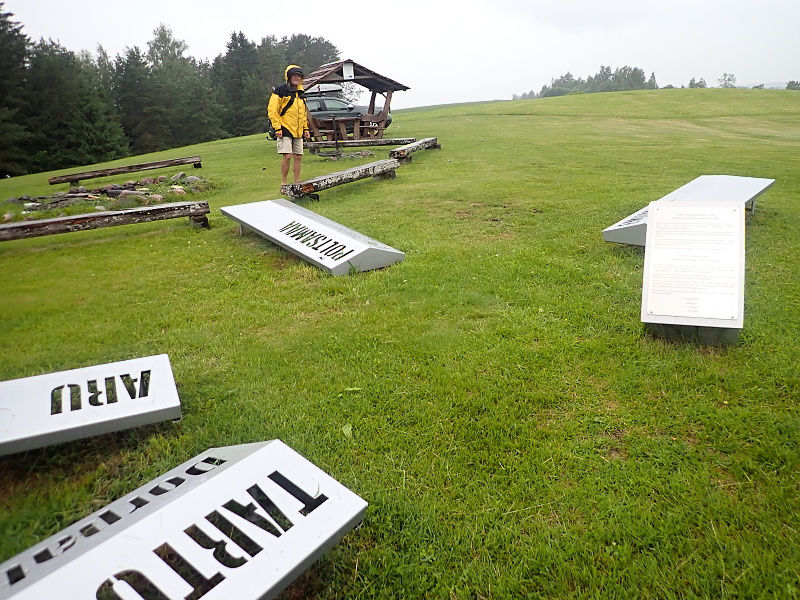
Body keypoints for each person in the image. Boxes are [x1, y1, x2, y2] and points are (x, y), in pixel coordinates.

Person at [268, 65, 311, 186]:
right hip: (284, 127)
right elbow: (272, 110)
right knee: (287, 156)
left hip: (298, 129)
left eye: (299, 76)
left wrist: (305, 128)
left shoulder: (301, 93)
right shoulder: (280, 90)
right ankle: (284, 182)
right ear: (289, 77)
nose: (296, 78)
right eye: (294, 75)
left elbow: (303, 113)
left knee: (298, 156)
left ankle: (297, 181)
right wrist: (277, 127)